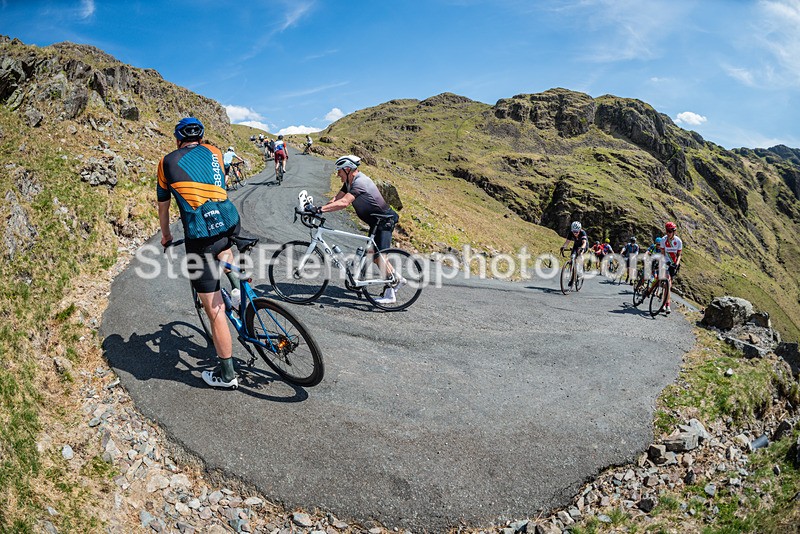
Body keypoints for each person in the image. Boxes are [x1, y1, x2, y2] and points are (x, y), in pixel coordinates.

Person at [158, 117, 242, 389]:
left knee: (213, 307)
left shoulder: (165, 162)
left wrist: (167, 235)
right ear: (201, 137)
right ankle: (241, 293)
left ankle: (227, 374)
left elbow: (163, 206)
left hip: (200, 235)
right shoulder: (215, 151)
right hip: (229, 221)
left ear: (177, 138)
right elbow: (222, 181)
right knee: (226, 248)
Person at [306, 155, 403, 304]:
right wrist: (318, 209)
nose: (337, 174)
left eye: (339, 171)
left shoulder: (360, 182)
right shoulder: (349, 182)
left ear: (347, 169)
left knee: (379, 257)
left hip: (385, 221)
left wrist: (319, 210)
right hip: (376, 221)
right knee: (373, 256)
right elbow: (336, 199)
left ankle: (391, 291)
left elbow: (344, 203)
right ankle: (396, 279)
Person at [660, 221, 683, 314]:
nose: (668, 233)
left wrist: (676, 264)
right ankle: (667, 305)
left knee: (668, 286)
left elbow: (679, 255)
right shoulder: (663, 240)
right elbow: (662, 253)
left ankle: (664, 304)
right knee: (667, 283)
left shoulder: (678, 241)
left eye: (670, 231)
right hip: (666, 262)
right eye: (667, 231)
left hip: (674, 264)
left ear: (674, 232)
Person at [560, 221, 588, 285]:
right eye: (574, 231)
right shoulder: (571, 233)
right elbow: (567, 242)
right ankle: (572, 277)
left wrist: (582, 248)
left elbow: (584, 243)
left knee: (580, 254)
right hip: (576, 245)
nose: (575, 233)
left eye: (577, 231)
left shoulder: (582, 232)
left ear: (580, 229)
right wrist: (563, 247)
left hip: (583, 245)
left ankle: (580, 271)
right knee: (572, 257)